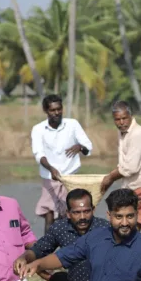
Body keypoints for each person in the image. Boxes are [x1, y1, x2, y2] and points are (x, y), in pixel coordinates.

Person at [100, 101, 141, 241]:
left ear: (130, 116)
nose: (121, 122)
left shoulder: (137, 133)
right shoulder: (122, 133)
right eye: (117, 119)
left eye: (124, 118)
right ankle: (130, 258)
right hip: (135, 187)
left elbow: (131, 168)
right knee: (131, 227)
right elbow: (124, 163)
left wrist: (111, 177)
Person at [31, 94, 94, 231]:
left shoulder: (72, 124)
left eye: (59, 109)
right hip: (49, 177)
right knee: (48, 213)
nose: (57, 113)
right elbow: (39, 154)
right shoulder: (38, 129)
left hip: (69, 176)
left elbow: (88, 146)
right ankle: (47, 248)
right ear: (46, 111)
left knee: (66, 214)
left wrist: (80, 147)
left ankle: (67, 247)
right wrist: (51, 168)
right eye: (53, 110)